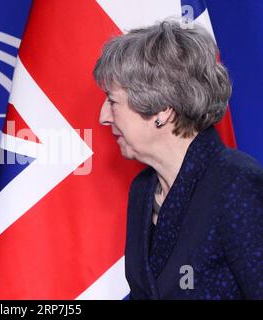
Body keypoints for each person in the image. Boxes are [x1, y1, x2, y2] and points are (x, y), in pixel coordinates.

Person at [93, 20, 263, 299]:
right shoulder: (144, 190)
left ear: (162, 110)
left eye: (112, 101)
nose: (103, 116)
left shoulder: (239, 186)